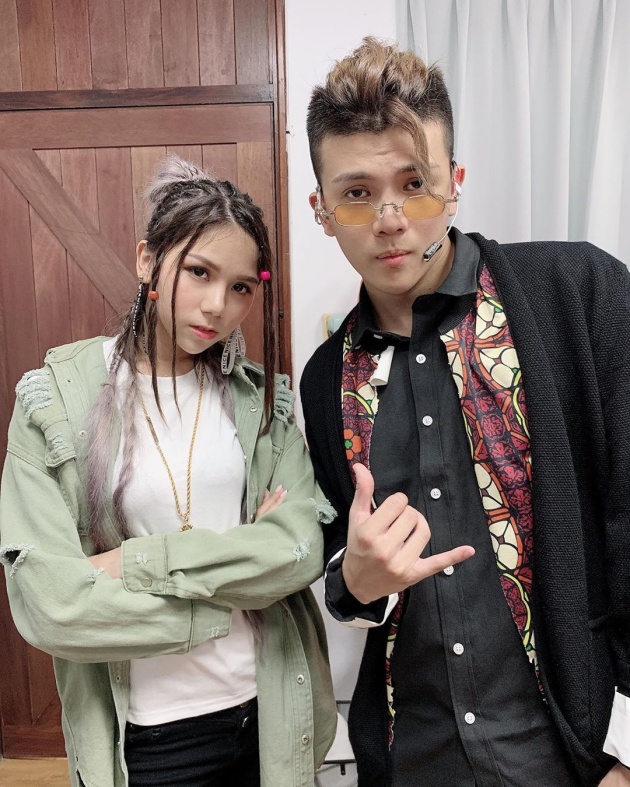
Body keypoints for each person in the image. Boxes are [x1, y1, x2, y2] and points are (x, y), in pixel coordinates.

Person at [300, 37, 630, 787]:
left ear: (455, 184)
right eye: (357, 193)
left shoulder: (578, 294)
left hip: (575, 758)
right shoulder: (326, 381)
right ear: (322, 210)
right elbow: (345, 566)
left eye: (415, 184)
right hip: (414, 759)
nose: (389, 218)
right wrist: (354, 584)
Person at [0, 156, 337, 787]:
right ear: (147, 261)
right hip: (149, 738)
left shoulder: (262, 403)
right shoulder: (56, 402)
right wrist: (221, 598)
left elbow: (297, 551)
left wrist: (133, 564)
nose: (218, 306)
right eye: (199, 272)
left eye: (242, 287)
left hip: (267, 715)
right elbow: (50, 604)